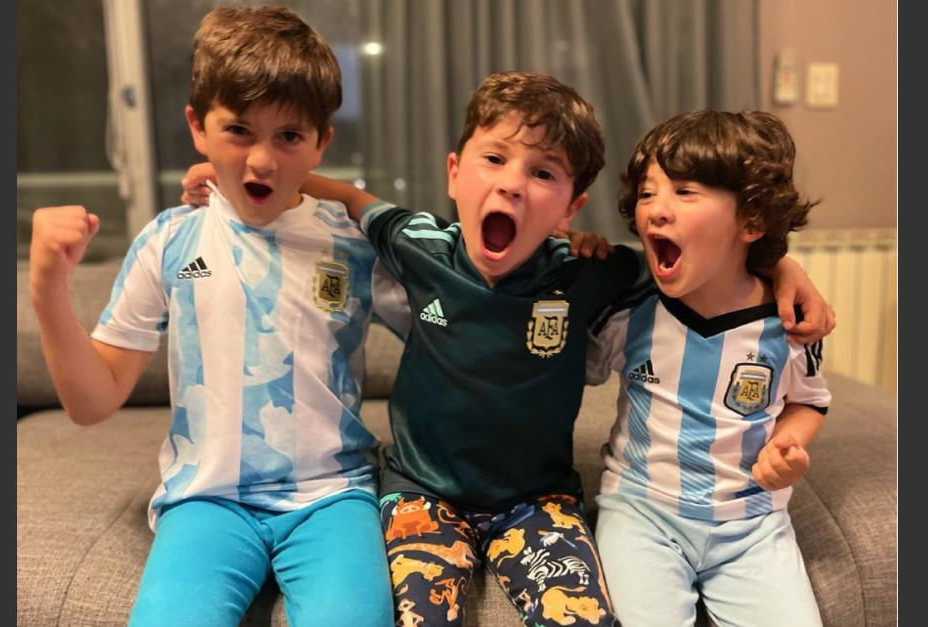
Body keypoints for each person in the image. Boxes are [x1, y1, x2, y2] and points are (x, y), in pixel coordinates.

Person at [182, 72, 833, 627]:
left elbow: (716, 274)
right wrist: (234, 174)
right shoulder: (417, 241)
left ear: (571, 209)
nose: (514, 184)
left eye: (543, 173)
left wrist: (782, 269)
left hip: (540, 499)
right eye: (494, 160)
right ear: (454, 173)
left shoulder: (595, 273)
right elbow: (351, 198)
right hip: (421, 493)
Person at [27, 6, 407, 626]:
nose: (262, 161)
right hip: (205, 503)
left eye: (289, 136)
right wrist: (48, 289)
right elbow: (92, 402)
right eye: (238, 131)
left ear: (322, 142)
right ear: (197, 128)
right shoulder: (170, 242)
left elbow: (449, 318)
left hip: (333, 499)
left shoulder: (354, 244)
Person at [587, 110, 830, 626]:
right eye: (649, 193)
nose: (656, 210)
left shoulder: (789, 321)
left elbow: (810, 399)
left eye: (685, 192)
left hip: (753, 526)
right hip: (640, 513)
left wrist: (789, 444)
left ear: (751, 220)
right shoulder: (631, 306)